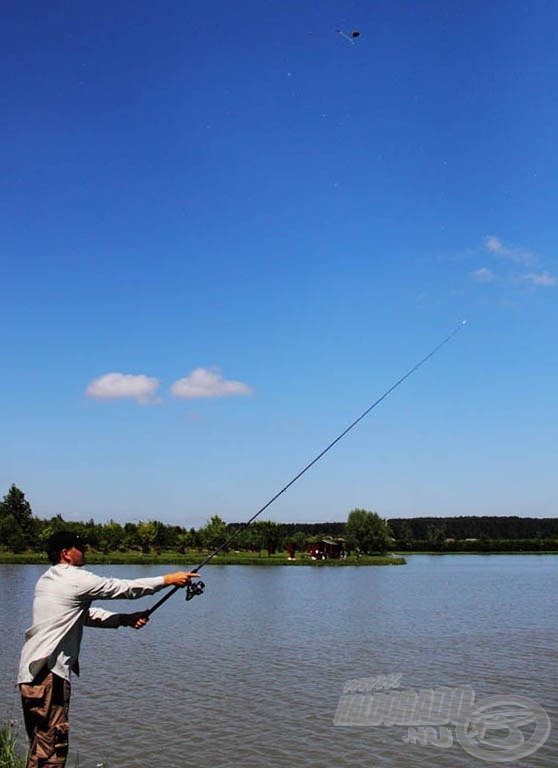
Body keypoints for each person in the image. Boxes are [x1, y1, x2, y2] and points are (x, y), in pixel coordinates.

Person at [18, 530, 199, 768]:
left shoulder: (48, 580)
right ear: (66, 554)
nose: (85, 551)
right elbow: (122, 588)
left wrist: (123, 619)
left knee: (41, 747)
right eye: (79, 548)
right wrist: (167, 580)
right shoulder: (73, 578)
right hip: (49, 677)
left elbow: (84, 615)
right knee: (52, 752)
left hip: (32, 676)